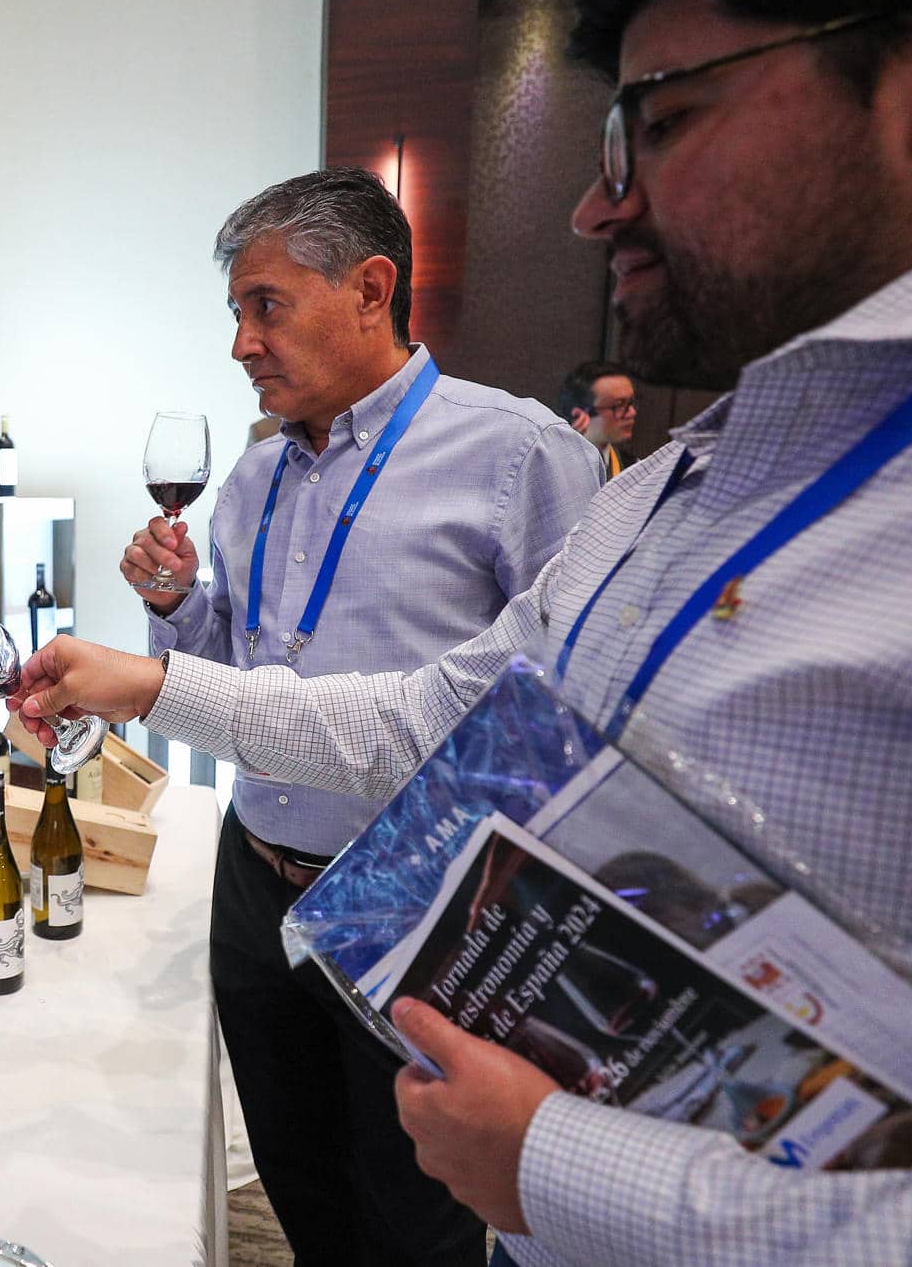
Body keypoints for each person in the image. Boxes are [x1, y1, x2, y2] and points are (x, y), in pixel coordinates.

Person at [10, 0, 912, 1262]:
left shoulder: (533, 458)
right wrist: (155, 669)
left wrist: (564, 1166)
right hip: (336, 916)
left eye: (659, 123)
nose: (595, 202)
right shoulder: (684, 484)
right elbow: (441, 725)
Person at [122, 167, 599, 1267]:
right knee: (299, 1174)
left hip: (418, 900)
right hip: (256, 879)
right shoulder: (250, 477)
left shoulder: (519, 455)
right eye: (235, 314)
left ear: (372, 287)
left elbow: (565, 705)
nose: (241, 342)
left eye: (265, 306)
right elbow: (226, 676)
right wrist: (171, 608)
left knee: (416, 1209)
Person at [554, 359, 638, 479]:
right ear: (579, 414)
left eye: (631, 403)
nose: (632, 413)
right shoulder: (553, 467)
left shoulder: (633, 468)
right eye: (619, 405)